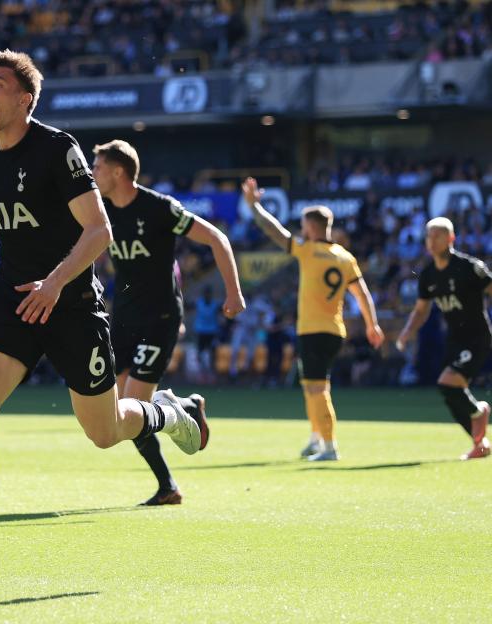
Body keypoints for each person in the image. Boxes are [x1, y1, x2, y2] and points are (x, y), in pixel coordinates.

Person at [0, 50, 208, 579]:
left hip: (71, 304)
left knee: (105, 432)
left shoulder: (57, 149)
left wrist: (55, 283)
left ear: (25, 99)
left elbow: (99, 231)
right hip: (14, 301)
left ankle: (167, 411)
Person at [91, 139, 245, 505]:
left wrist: (234, 293)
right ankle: (171, 472)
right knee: (119, 413)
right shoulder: (101, 210)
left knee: (133, 406)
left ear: (118, 172)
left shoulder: (159, 208)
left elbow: (217, 238)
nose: (92, 174)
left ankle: (170, 473)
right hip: (123, 316)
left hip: (159, 318)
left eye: (97, 167)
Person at [241, 178, 384, 461]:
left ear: (311, 227)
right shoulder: (345, 257)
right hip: (333, 329)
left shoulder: (307, 249)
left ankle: (329, 446)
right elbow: (362, 294)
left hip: (313, 331)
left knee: (317, 388)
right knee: (311, 386)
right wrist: (372, 324)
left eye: (304, 225)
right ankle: (316, 439)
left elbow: (274, 230)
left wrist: (255, 206)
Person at [396, 217, 492, 460]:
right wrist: (407, 332)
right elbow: (421, 310)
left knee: (448, 382)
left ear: (451, 238)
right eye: (429, 236)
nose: (432, 241)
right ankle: (479, 444)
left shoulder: (470, 267)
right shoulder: (428, 275)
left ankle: (479, 411)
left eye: (438, 235)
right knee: (449, 392)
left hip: (477, 337)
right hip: (454, 339)